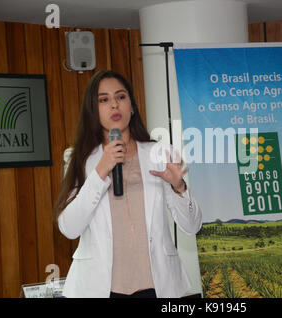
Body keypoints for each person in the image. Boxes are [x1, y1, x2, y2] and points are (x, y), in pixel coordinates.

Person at [53, 70, 202, 298]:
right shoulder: (80, 159)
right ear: (94, 111)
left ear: (132, 107)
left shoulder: (160, 153)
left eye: (120, 97)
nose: (114, 105)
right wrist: (101, 170)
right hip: (99, 288)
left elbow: (192, 227)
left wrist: (179, 187)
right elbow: (69, 228)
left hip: (157, 286)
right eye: (104, 100)